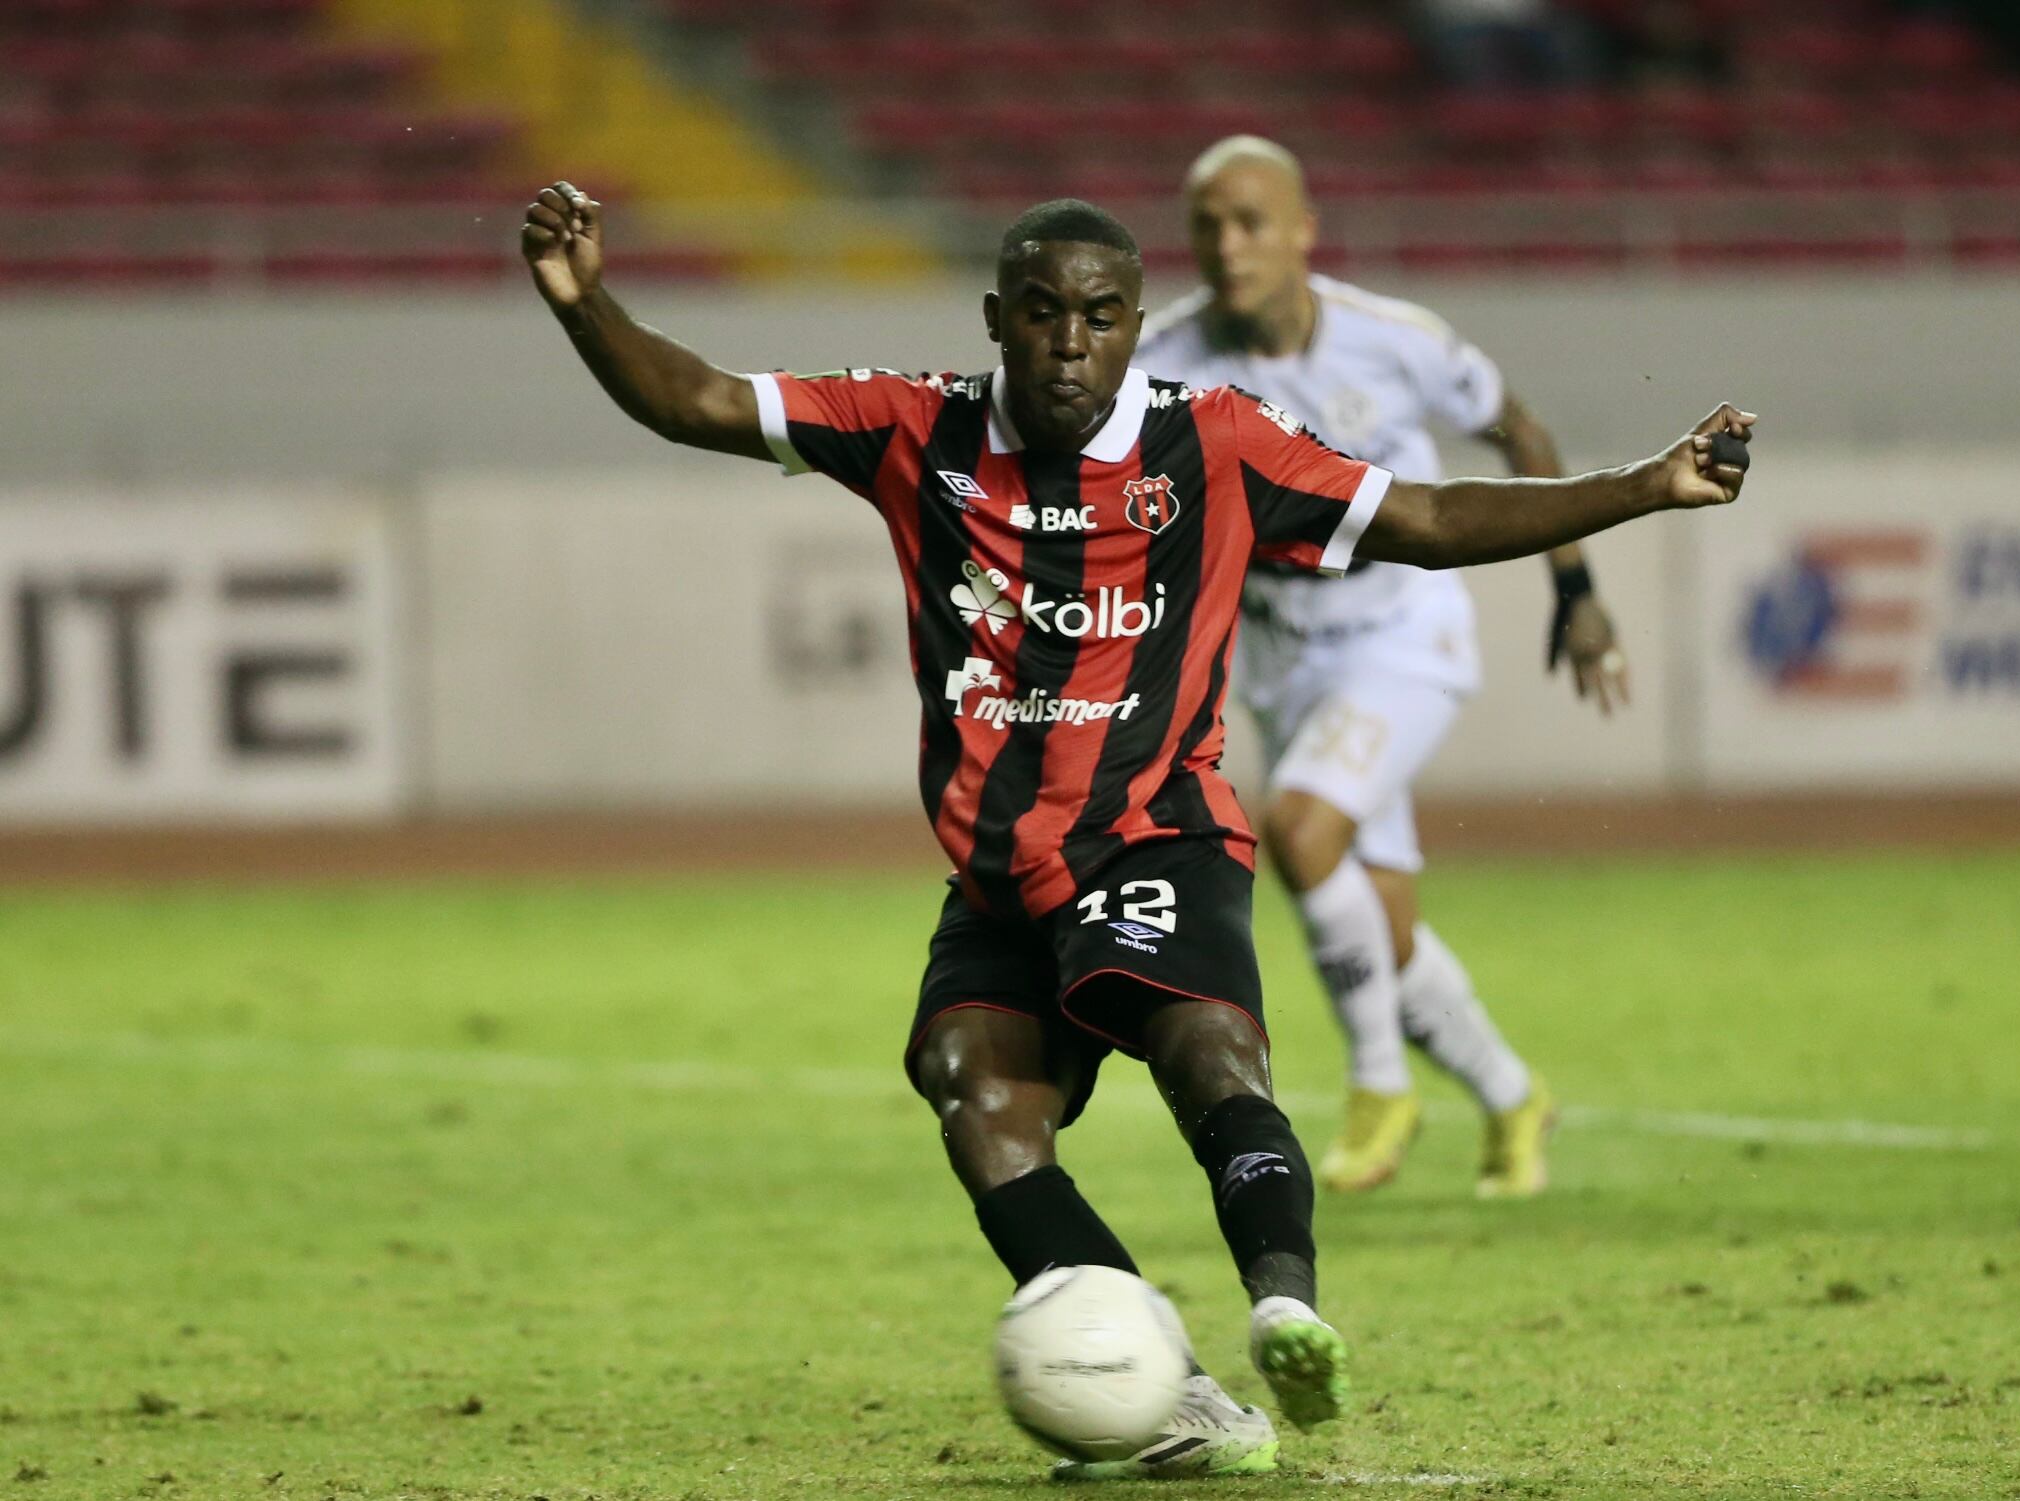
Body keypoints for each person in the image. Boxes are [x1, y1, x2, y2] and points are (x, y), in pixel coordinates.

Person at [521, 182, 1754, 1479]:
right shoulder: (910, 427)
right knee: (975, 1094)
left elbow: (1428, 519)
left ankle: (1285, 1302)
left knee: (1203, 1049)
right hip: (999, 874)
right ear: (998, 319)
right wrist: (584, 301)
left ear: (1136, 327)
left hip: (1155, 831)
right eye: (1043, 313)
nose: (1070, 340)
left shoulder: (1214, 439)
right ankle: (1170, 1383)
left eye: (1101, 317)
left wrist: (1644, 487)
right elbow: (696, 400)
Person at [1139, 136, 1624, 1198]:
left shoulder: (1392, 341)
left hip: (1402, 632)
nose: (1228, 245)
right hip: (1277, 655)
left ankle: (1375, 1086)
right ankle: (1509, 1094)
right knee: (1378, 931)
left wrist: (1574, 590)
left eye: (1251, 220)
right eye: (1207, 225)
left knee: (1303, 829)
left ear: (1304, 228)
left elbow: (1520, 430)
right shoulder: (1160, 361)